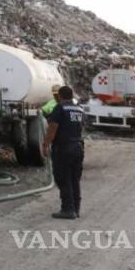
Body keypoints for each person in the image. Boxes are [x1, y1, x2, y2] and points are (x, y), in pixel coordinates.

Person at [42, 85, 84, 219]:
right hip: (78, 147)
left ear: (59, 96)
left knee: (63, 178)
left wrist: (45, 144)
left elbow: (52, 128)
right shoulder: (79, 108)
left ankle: (68, 209)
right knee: (74, 179)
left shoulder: (60, 108)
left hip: (64, 148)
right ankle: (76, 209)